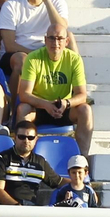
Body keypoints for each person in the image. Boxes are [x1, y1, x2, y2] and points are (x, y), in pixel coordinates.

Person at [16, 22, 93, 156]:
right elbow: (24, 94)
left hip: (63, 107)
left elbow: (82, 94)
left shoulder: (74, 59)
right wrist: (45, 104)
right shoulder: (33, 58)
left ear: (67, 41)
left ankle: (82, 158)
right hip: (39, 106)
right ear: (45, 40)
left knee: (85, 109)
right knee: (23, 109)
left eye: (59, 39)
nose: (55, 43)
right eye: (51, 38)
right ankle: (21, 157)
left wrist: (66, 103)